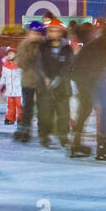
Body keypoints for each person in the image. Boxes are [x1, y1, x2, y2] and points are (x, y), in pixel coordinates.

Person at [35, 19, 74, 148]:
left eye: (56, 30)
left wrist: (59, 78)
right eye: (50, 30)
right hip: (45, 87)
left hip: (62, 87)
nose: (53, 33)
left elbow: (68, 66)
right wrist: (45, 78)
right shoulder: (42, 47)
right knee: (45, 114)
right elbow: (38, 64)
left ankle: (63, 137)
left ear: (61, 32)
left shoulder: (67, 48)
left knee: (63, 114)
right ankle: (44, 136)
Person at [0, 49, 23, 125]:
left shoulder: (21, 65)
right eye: (8, 54)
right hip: (10, 90)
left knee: (20, 105)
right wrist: (1, 84)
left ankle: (21, 118)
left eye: (11, 53)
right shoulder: (5, 66)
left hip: (19, 90)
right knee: (10, 105)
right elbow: (4, 76)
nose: (9, 55)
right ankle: (9, 118)